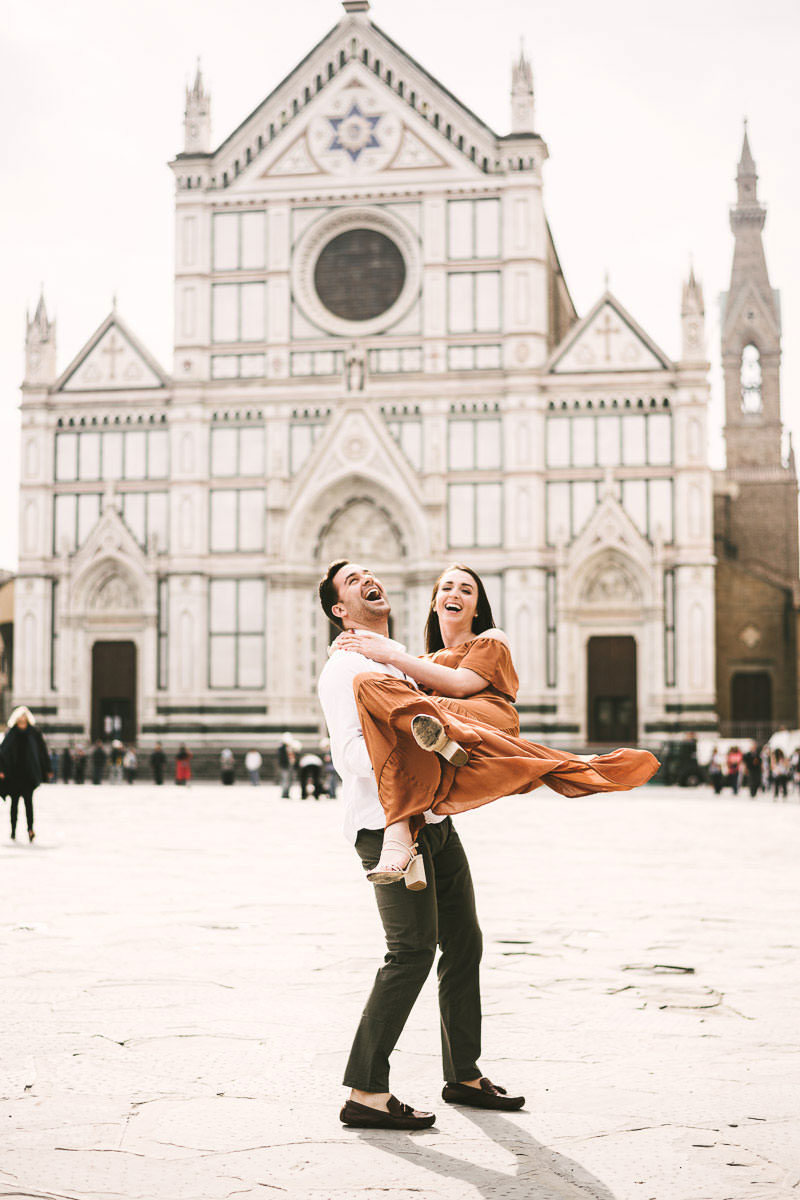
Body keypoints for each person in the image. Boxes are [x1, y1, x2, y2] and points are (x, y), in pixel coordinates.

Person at [317, 562, 527, 1132]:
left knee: (464, 940)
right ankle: (366, 1091)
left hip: (433, 821)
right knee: (411, 951)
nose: (368, 578)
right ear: (340, 609)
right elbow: (352, 759)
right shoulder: (343, 672)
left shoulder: (397, 658)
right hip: (383, 823)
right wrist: (419, 747)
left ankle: (464, 1072)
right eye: (353, 578)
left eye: (369, 571)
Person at [326, 561, 658, 885]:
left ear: (477, 608)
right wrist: (358, 651)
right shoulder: (420, 663)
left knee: (404, 703)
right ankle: (431, 774)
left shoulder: (490, 639)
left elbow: (459, 684)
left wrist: (388, 654)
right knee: (374, 686)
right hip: (450, 734)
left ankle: (572, 763)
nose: (455, 593)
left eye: (466, 589)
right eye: (447, 587)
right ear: (435, 603)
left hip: (486, 721)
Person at [0, 706, 52, 842]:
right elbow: (2, 752)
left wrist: (48, 768)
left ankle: (30, 829)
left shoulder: (34, 732)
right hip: (14, 773)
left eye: (24, 717)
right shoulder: (11, 733)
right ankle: (13, 831)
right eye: (20, 718)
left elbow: (42, 751)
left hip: (29, 773)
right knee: (14, 804)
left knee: (29, 803)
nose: (22, 720)